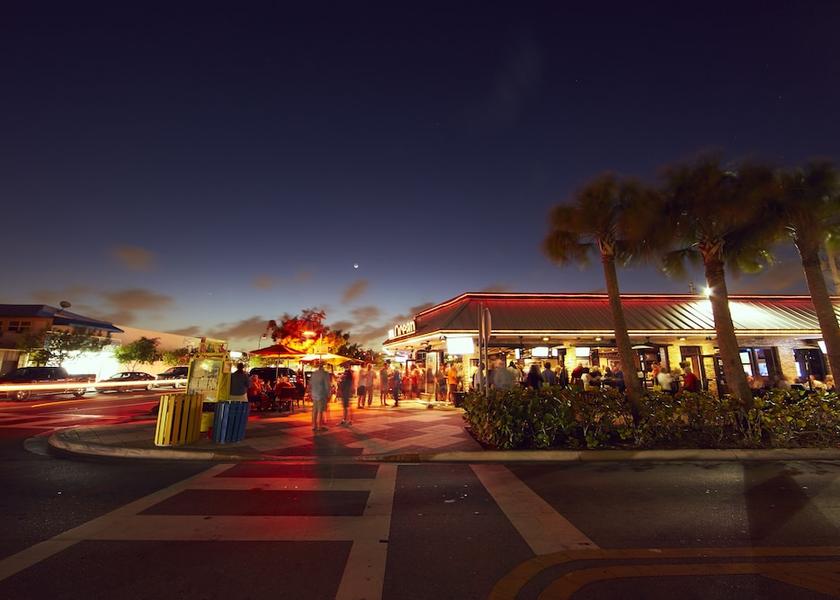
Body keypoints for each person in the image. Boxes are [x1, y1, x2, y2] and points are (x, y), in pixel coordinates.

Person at [309, 362, 331, 431]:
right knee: (320, 411)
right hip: (321, 394)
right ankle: (319, 426)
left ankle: (314, 426)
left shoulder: (314, 374)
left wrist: (311, 393)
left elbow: (310, 384)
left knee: (314, 411)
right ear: (323, 366)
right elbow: (327, 385)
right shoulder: (325, 374)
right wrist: (328, 394)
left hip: (314, 394)